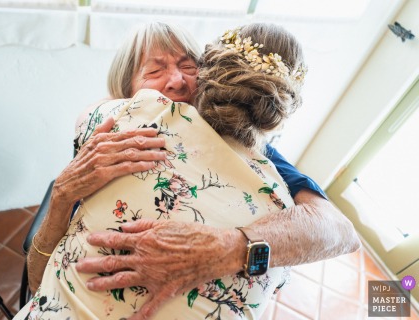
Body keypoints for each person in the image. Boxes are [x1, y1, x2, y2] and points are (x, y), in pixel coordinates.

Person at [22, 22, 360, 319]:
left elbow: (339, 230)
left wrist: (228, 247)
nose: (177, 81)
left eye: (189, 66)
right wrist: (62, 195)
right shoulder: (115, 130)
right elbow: (42, 282)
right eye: (154, 72)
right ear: (124, 95)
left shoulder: (258, 151)